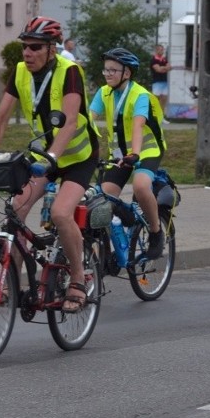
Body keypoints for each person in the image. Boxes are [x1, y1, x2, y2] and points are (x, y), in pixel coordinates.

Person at [0, 15, 99, 313]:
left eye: (35, 47)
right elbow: (0, 118)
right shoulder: (20, 71)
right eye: (24, 46)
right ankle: (10, 283)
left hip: (78, 156)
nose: (27, 53)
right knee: (16, 209)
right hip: (44, 155)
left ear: (52, 48)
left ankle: (77, 279)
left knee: (61, 213)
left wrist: (52, 159)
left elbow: (71, 121)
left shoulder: (69, 70)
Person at [89, 47, 166, 259]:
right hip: (120, 155)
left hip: (146, 151)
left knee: (141, 187)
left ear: (127, 73)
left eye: (113, 70)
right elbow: (88, 119)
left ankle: (156, 231)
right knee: (102, 200)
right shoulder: (103, 92)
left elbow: (138, 125)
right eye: (105, 70)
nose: (108, 74)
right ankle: (114, 245)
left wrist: (135, 153)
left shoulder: (139, 94)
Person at [150, 44, 171, 124]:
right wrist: (164, 68)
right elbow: (158, 70)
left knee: (164, 99)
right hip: (157, 82)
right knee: (155, 99)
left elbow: (169, 67)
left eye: (163, 50)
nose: (162, 51)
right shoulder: (154, 60)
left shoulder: (164, 59)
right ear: (156, 50)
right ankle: (153, 117)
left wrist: (163, 68)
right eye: (160, 50)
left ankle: (161, 117)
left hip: (164, 81)